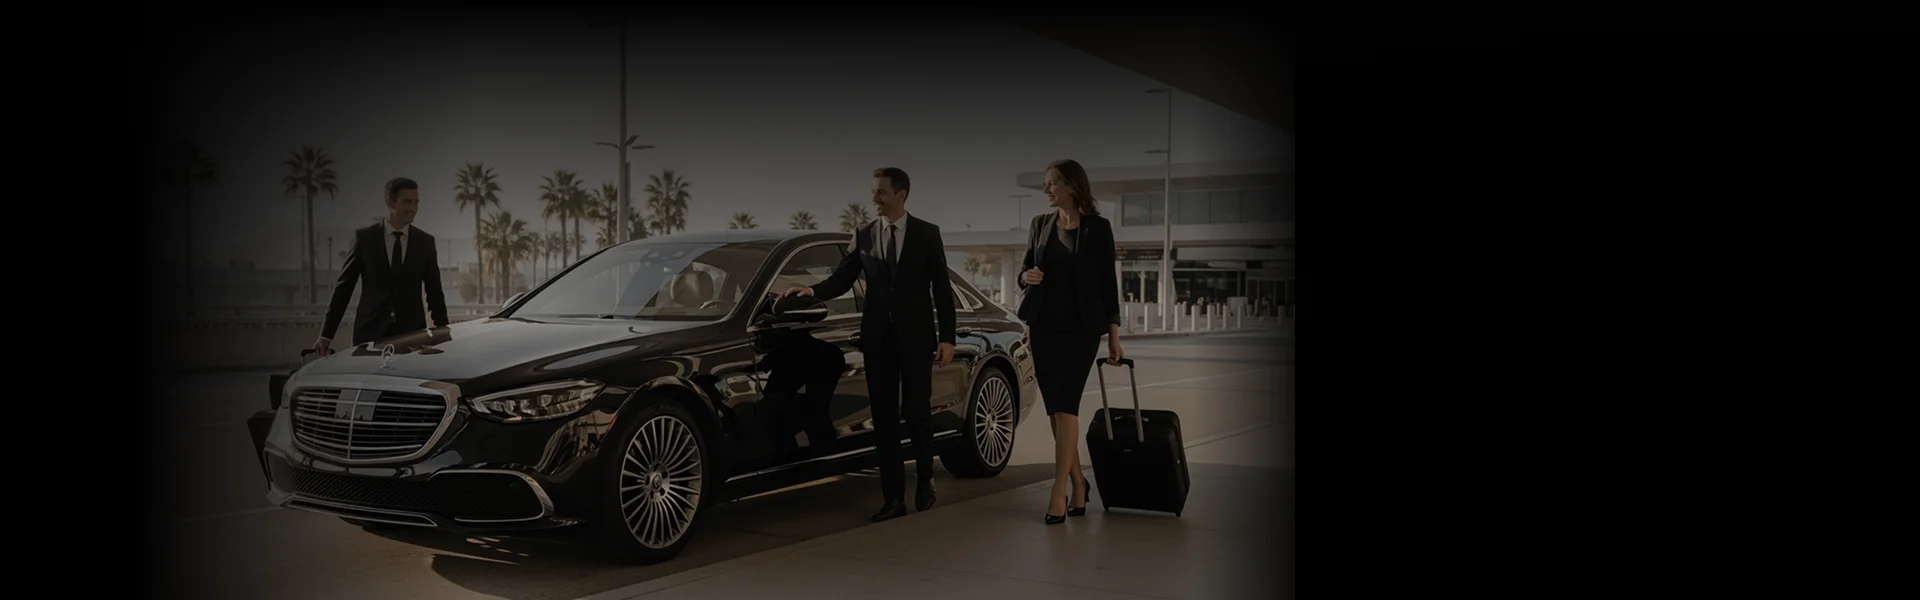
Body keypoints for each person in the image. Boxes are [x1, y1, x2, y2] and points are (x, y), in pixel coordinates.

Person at [783, 167, 957, 522]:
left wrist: (947, 337)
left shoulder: (927, 234)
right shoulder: (863, 234)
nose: (874, 198)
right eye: (873, 192)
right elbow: (843, 277)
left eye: (881, 192)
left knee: (917, 413)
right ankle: (893, 498)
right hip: (878, 340)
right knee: (884, 420)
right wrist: (812, 291)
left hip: (916, 338)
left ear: (901, 195)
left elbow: (941, 288)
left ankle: (925, 481)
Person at [1016, 159, 1124, 525]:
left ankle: (1058, 490)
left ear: (1072, 186)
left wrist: (1114, 333)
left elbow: (1108, 283)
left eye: (1052, 184)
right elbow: (1025, 269)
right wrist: (1026, 275)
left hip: (1080, 331)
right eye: (1045, 184)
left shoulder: (1098, 229)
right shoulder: (1040, 225)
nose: (1046, 190)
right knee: (1055, 412)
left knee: (1067, 407)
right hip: (1044, 327)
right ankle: (1079, 483)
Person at [314, 177, 451, 355]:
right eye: (407, 202)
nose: (413, 208)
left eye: (416, 202)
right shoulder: (364, 239)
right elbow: (343, 289)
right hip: (369, 335)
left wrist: (444, 334)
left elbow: (434, 293)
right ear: (390, 202)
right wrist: (326, 335)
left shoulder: (425, 242)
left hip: (412, 336)